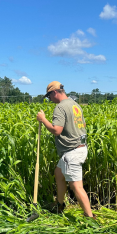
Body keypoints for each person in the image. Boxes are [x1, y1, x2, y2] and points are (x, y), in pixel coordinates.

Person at [36, 81, 95, 219]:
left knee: (76, 186)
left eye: (49, 96)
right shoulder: (75, 104)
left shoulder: (60, 107)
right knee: (59, 173)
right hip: (80, 147)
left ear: (54, 92)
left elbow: (56, 130)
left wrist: (43, 119)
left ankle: (90, 217)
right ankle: (60, 204)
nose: (49, 99)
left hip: (72, 152)